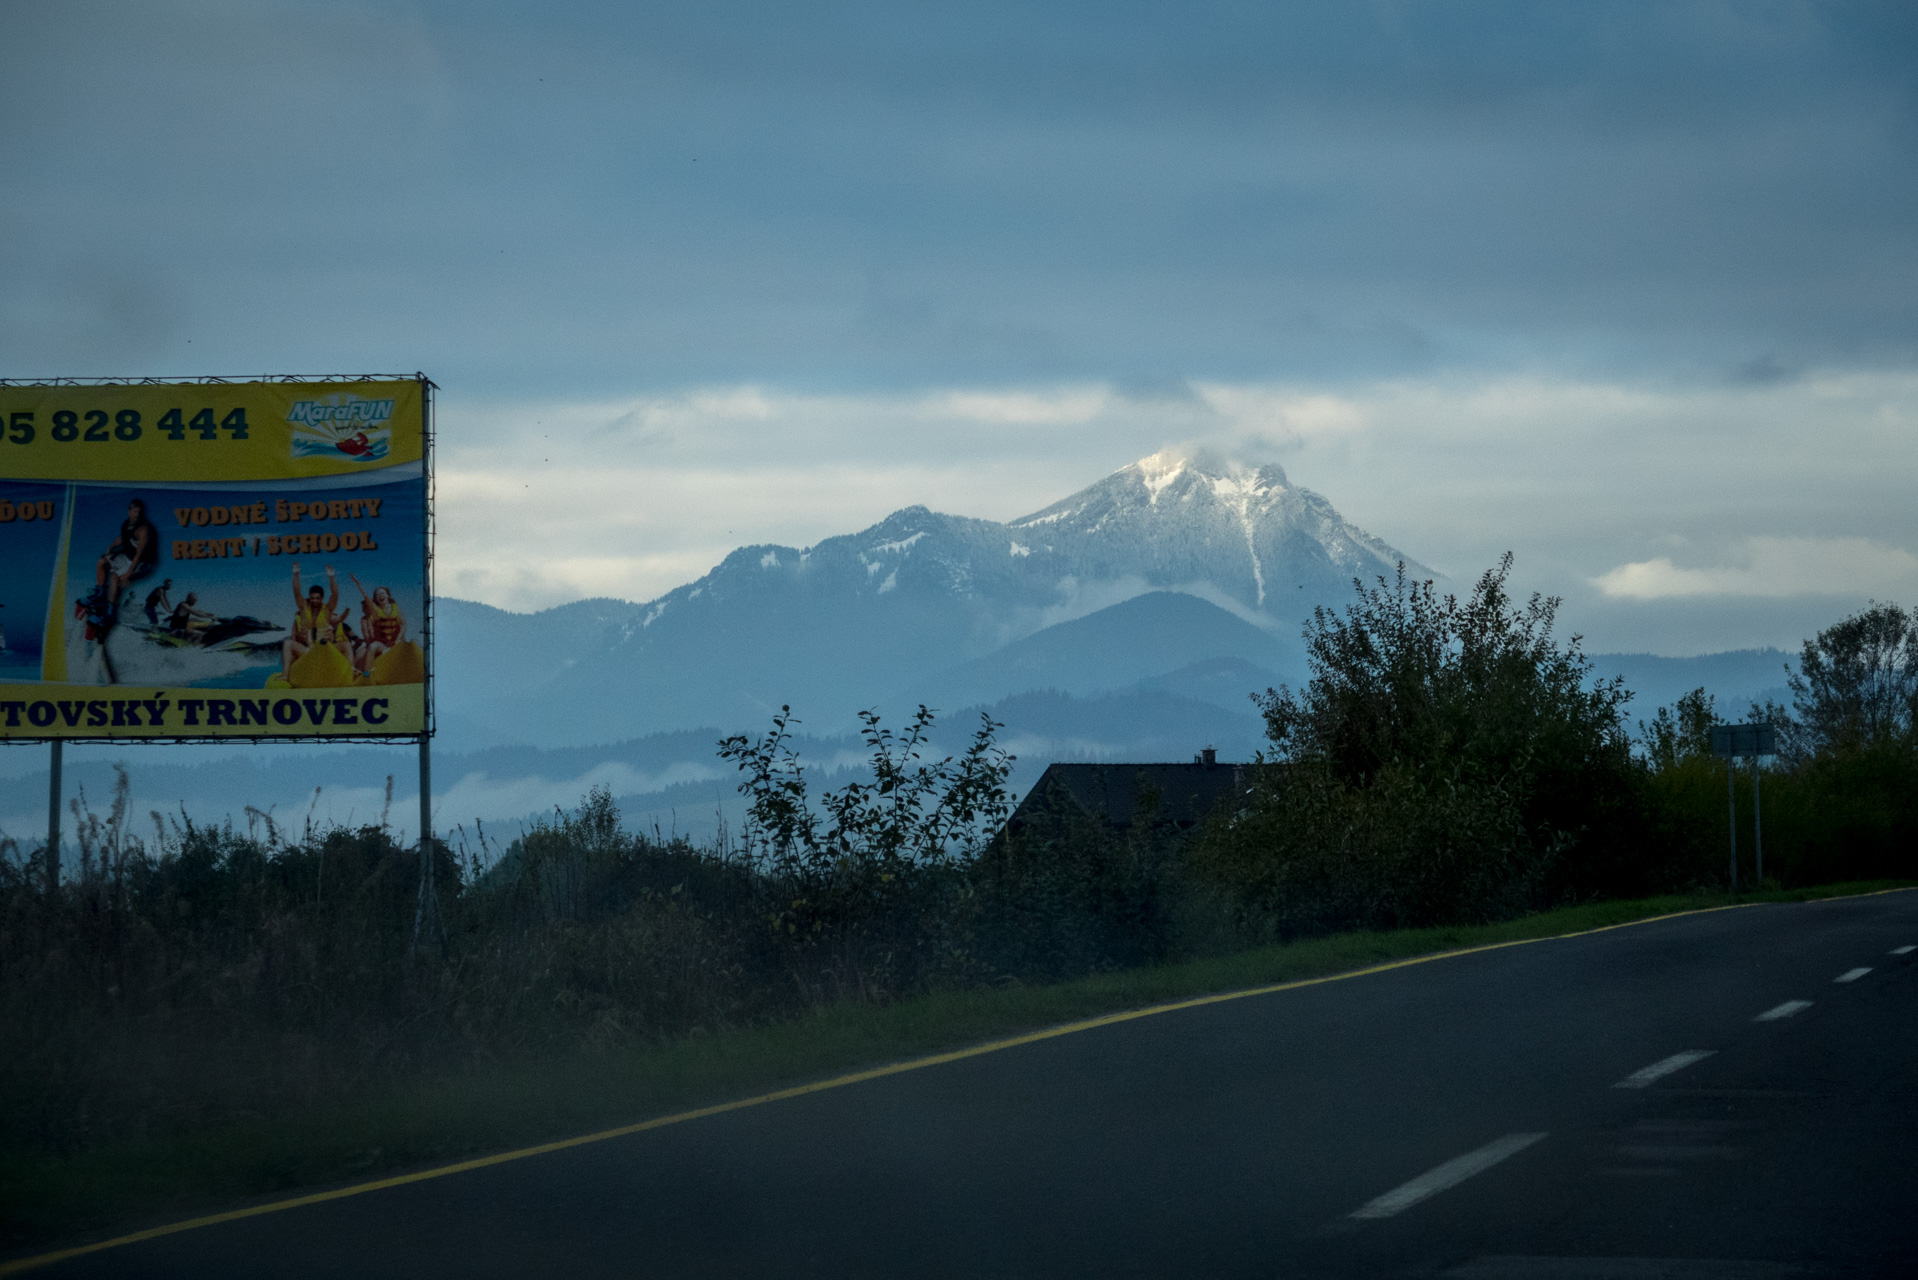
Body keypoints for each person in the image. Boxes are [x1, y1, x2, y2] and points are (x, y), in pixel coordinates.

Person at [88, 497, 159, 619]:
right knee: (102, 562)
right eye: (135, 511)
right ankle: (99, 595)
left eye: (139, 512)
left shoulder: (144, 529)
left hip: (144, 563)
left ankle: (110, 612)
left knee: (116, 579)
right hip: (128, 557)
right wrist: (111, 547)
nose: (137, 514)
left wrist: (128, 574)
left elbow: (139, 555)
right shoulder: (126, 524)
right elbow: (122, 537)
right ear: (129, 511)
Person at [281, 563, 343, 678]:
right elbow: (296, 591)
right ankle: (285, 676)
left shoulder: (328, 609)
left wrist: (332, 578)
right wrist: (296, 574)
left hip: (323, 651)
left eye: (317, 598)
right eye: (312, 598)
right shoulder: (304, 608)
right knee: (287, 643)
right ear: (309, 597)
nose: (314, 601)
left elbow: (335, 594)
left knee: (343, 644)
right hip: (308, 651)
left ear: (322, 598)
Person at [348, 575, 406, 671]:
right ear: (375, 599)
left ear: (387, 595)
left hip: (396, 643)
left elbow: (403, 624)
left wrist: (399, 637)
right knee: (373, 646)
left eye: (382, 593)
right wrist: (358, 585)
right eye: (377, 595)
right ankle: (366, 675)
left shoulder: (396, 607)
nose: (380, 596)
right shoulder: (376, 610)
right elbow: (366, 597)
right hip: (383, 645)